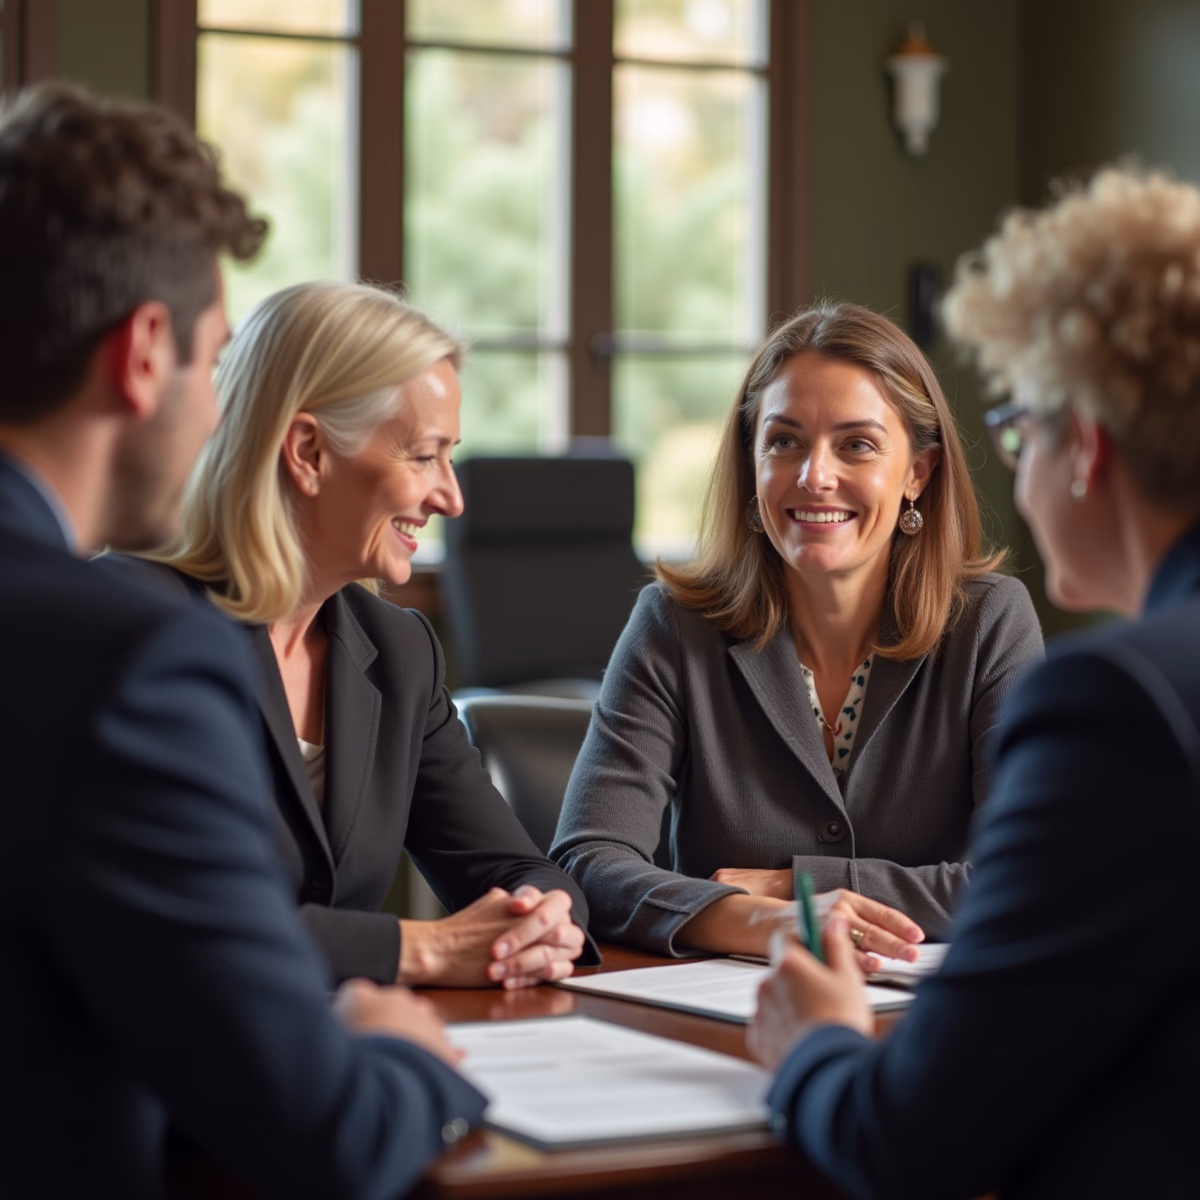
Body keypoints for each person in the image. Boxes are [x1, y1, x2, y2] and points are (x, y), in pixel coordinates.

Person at [0, 83, 486, 1199]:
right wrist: (401, 1053)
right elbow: (326, 1134)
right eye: (214, 364)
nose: (225, 417)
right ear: (141, 352)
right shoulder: (122, 658)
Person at [750, 168, 1200, 1199]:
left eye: (1022, 432)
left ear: (1083, 446)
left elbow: (905, 1141)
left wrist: (816, 1042)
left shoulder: (1120, 708)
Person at [137, 279, 594, 989]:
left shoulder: (400, 652)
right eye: (422, 455)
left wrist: (540, 919)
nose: (451, 495)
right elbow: (176, 916)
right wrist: (425, 949)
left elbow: (511, 869)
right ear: (309, 451)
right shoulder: (139, 632)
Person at [551, 301, 1042, 961]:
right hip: (723, 1013)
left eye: (857, 445)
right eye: (784, 441)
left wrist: (800, 886)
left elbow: (1031, 877)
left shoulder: (989, 622)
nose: (815, 475)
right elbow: (588, 860)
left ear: (917, 475)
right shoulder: (674, 626)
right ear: (753, 467)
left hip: (934, 1020)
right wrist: (755, 922)